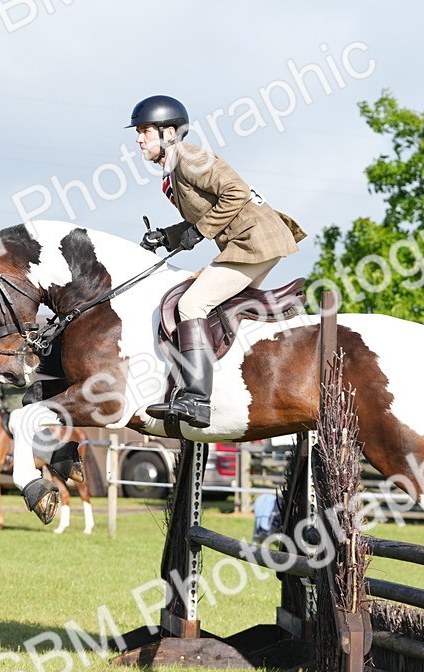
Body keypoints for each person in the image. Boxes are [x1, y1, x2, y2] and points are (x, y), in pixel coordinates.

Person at [130, 95, 306, 429]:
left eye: (145, 131)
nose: (139, 139)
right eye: (138, 132)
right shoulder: (174, 169)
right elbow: (203, 212)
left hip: (254, 241)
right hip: (249, 241)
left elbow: (236, 192)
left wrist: (200, 231)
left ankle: (197, 399)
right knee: (214, 309)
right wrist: (167, 236)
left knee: (192, 304)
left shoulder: (189, 157)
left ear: (169, 133)